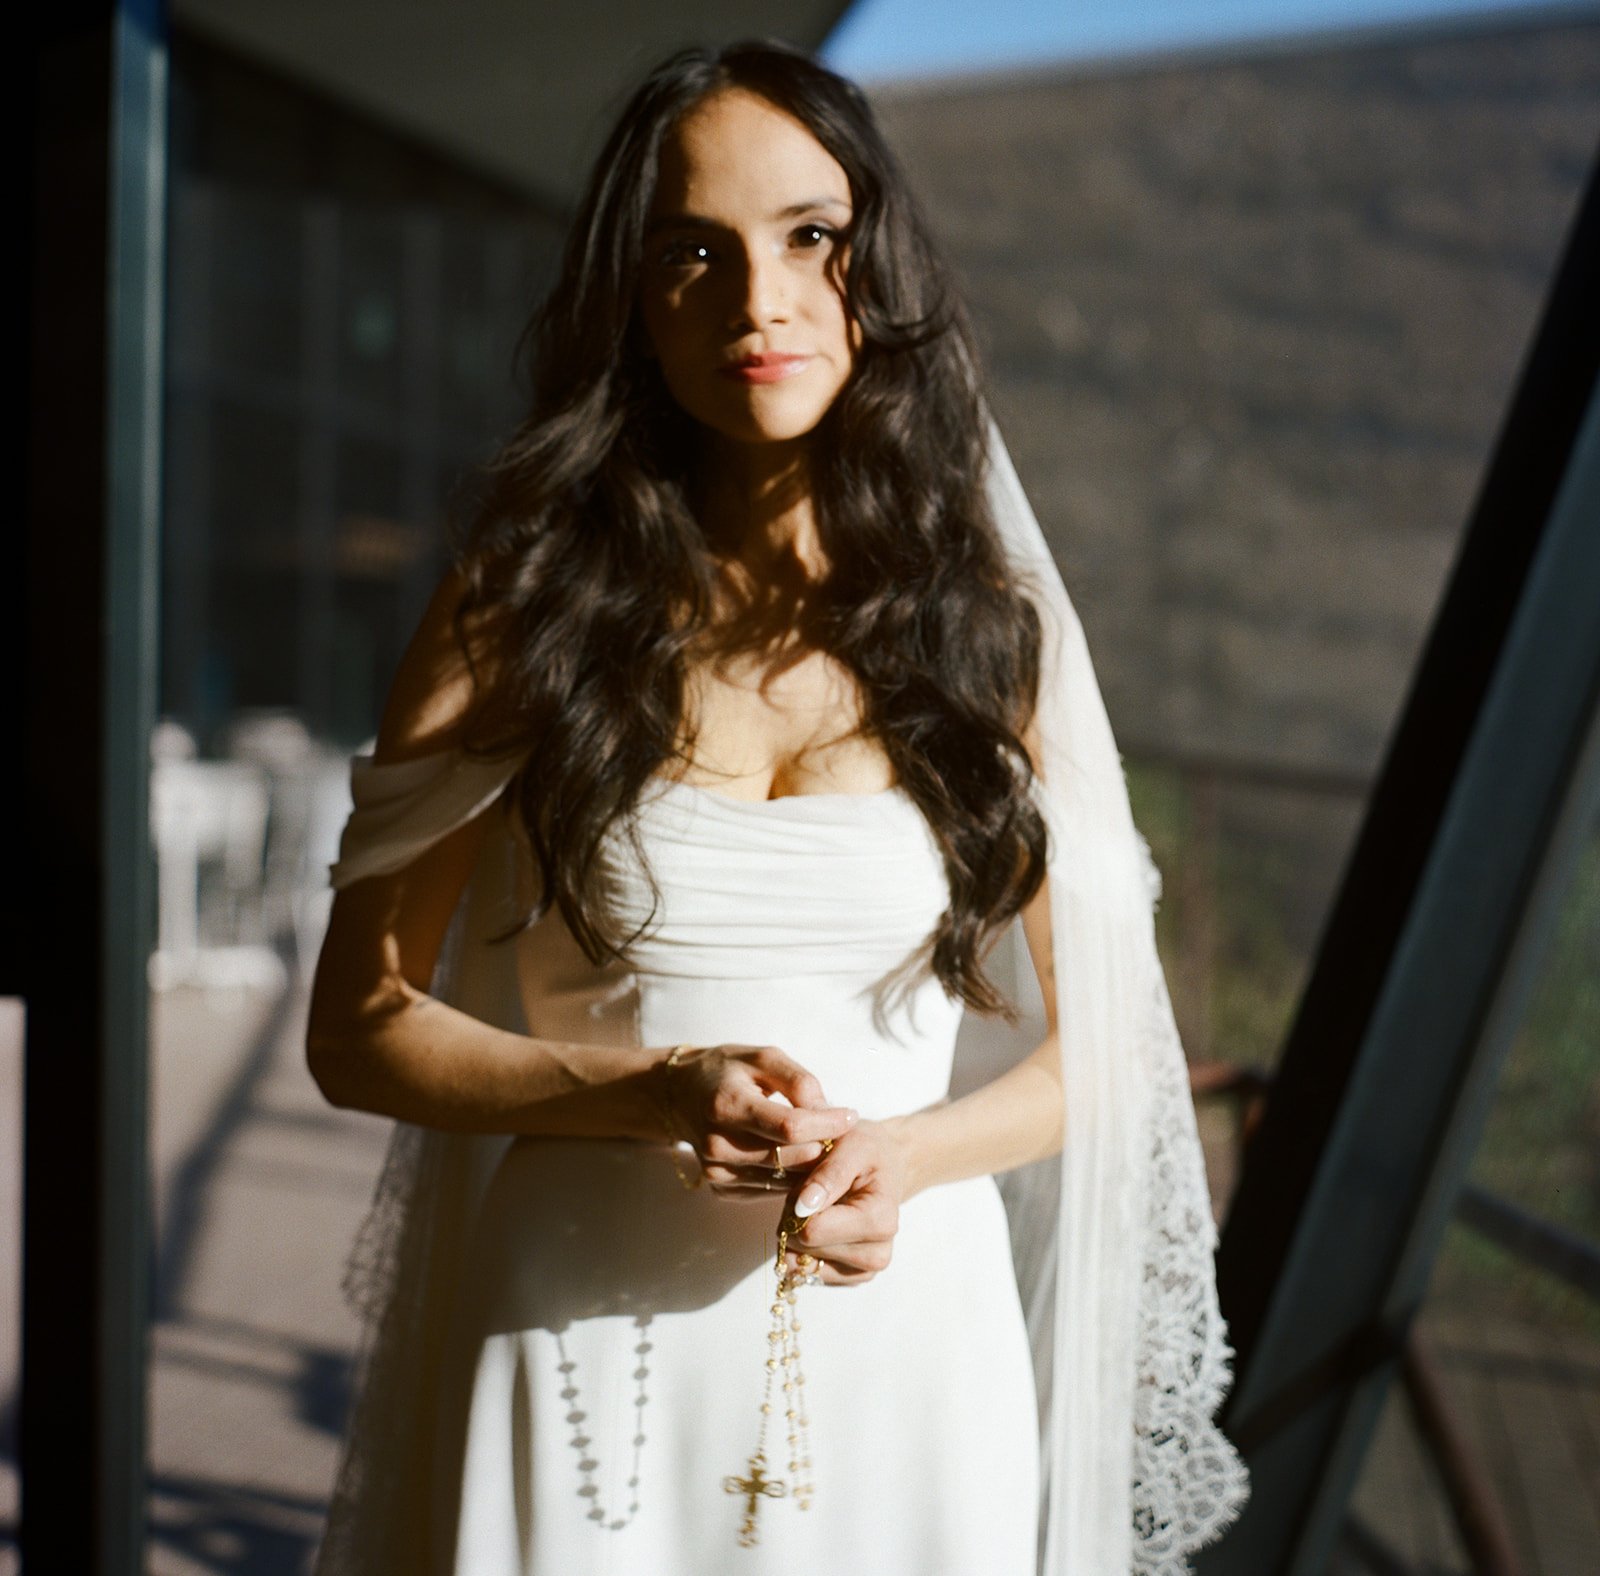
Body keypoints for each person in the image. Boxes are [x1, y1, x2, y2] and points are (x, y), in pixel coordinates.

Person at [306, 38, 1247, 1576]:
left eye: (810, 237)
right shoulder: (518, 608)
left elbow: (1106, 1055)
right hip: (582, 1340)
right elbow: (358, 1027)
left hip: (906, 1341)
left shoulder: (986, 630)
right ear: (632, 296)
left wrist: (911, 1156)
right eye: (695, 251)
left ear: (875, 266)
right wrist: (648, 1088)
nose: (759, 301)